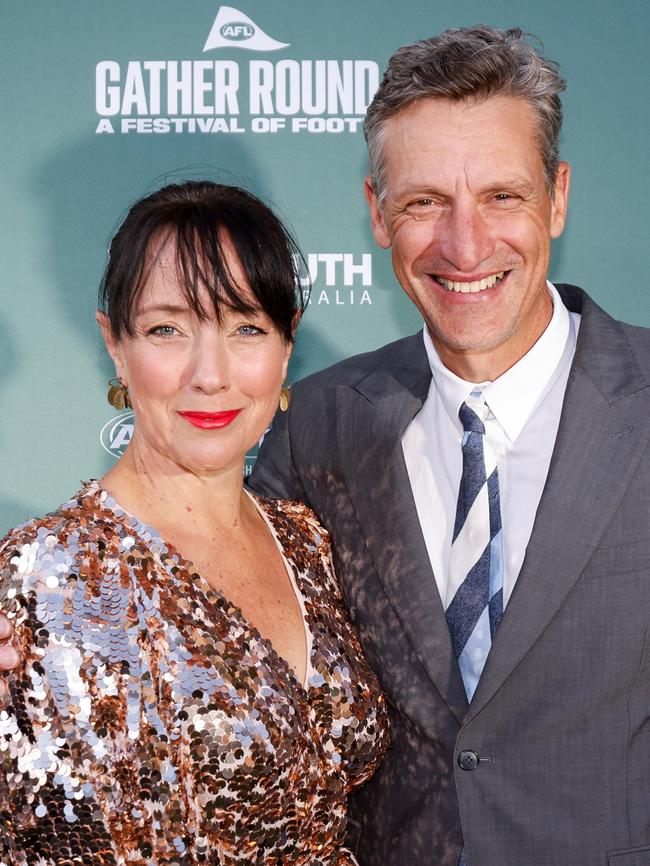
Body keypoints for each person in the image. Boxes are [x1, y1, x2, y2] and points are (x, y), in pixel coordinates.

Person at [247, 25, 650, 866]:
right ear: (376, 212)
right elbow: (245, 665)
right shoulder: (315, 424)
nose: (465, 246)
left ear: (560, 196)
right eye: (425, 201)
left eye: (502, 196)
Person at [0, 180, 389, 865]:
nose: (210, 375)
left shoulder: (305, 539)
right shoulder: (44, 575)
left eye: (246, 328)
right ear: (114, 345)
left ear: (287, 342)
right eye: (167, 329)